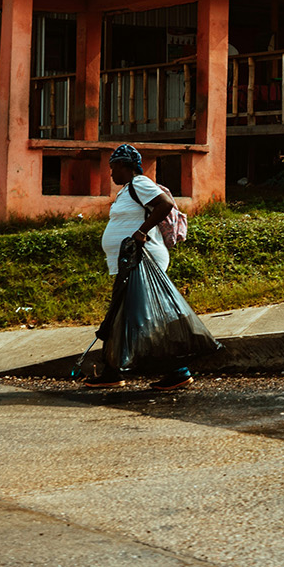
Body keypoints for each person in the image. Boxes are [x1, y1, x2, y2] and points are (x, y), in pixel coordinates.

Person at [86, 144, 191, 390]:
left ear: (126, 167)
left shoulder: (139, 183)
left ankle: (178, 371)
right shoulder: (126, 191)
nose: (111, 174)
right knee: (120, 315)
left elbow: (164, 204)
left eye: (114, 169)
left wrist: (141, 232)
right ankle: (113, 371)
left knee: (145, 317)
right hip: (128, 263)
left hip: (142, 260)